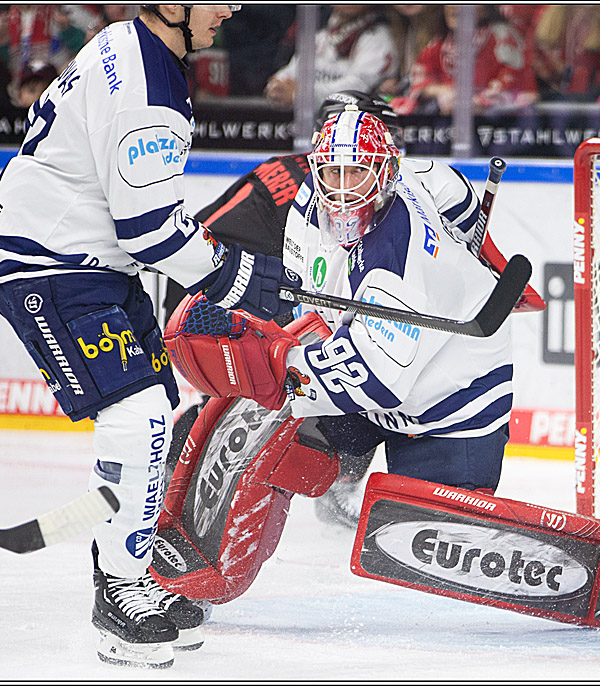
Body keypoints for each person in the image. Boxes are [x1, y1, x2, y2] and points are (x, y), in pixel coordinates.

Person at [0, 4, 301, 669]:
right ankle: (120, 590)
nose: (231, 8)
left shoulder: (134, 47)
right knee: (142, 414)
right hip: (48, 266)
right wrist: (235, 277)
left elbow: (141, 219)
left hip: (92, 260)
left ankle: (128, 569)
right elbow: (149, 230)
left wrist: (225, 270)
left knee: (151, 407)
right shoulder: (147, 85)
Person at [163, 90, 487, 528]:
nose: (388, 142)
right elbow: (209, 235)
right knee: (256, 395)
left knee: (343, 379)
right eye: (383, 130)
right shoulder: (312, 184)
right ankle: (182, 480)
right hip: (222, 292)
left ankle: (332, 490)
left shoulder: (324, 175)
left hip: (259, 288)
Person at [390, 5, 538, 115]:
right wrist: (438, 90)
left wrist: (471, 102)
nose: (454, 6)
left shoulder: (503, 38)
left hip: (495, 125)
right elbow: (422, 77)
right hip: (446, 125)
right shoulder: (441, 42)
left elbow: (515, 86)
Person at [264, 5, 398, 111]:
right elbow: (293, 70)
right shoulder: (321, 26)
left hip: (355, 127)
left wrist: (301, 95)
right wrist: (276, 86)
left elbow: (358, 87)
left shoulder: (379, 34)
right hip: (313, 126)